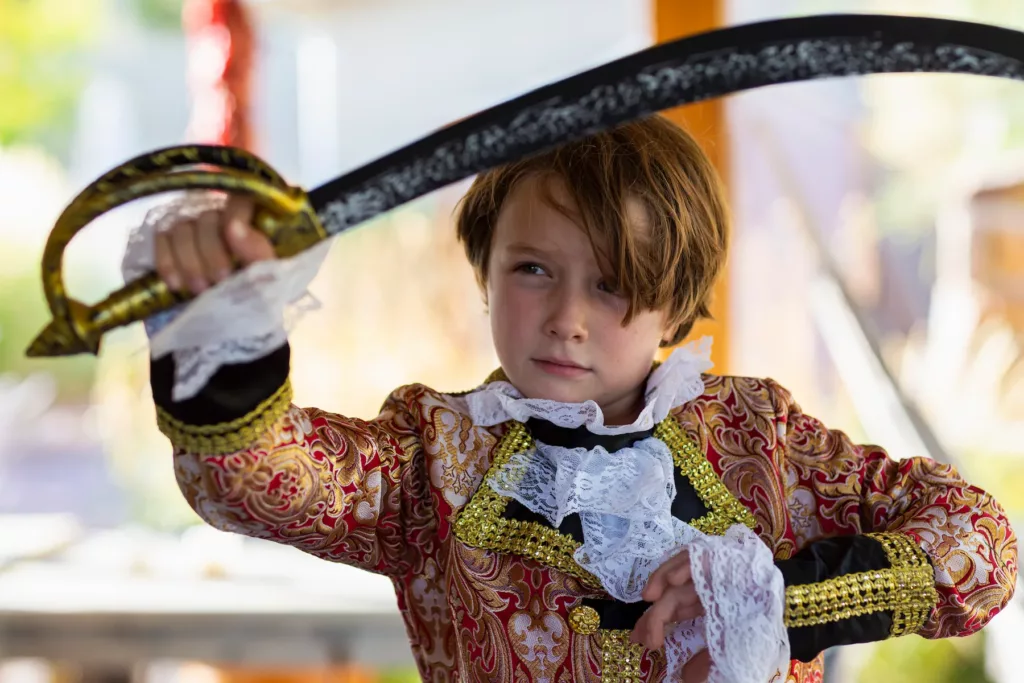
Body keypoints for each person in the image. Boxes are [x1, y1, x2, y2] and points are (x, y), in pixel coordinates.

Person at [135, 116, 1017, 682]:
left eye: (613, 284)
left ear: (674, 302)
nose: (566, 319)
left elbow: (982, 548)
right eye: (532, 270)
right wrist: (219, 317)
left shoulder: (762, 437)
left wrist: (776, 596)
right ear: (482, 272)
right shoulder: (432, 455)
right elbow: (251, 478)